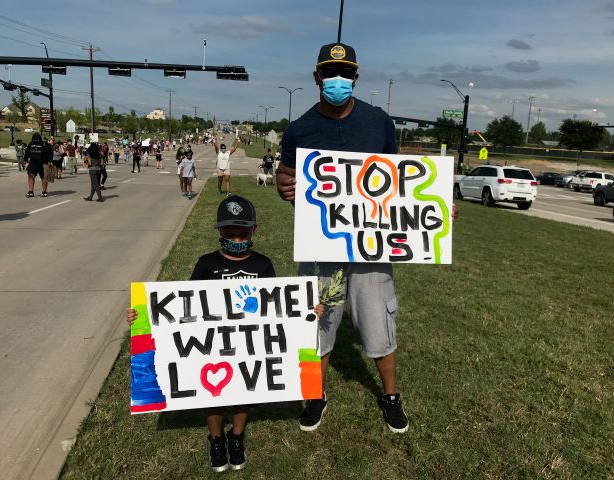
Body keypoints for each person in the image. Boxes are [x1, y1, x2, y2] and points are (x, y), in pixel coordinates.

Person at [275, 42, 460, 434]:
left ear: (355, 78)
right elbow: (284, 173)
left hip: (371, 247)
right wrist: (284, 186)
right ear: (316, 78)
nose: (336, 80)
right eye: (328, 73)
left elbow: (400, 180)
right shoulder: (299, 128)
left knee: (378, 322)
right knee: (316, 321)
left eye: (344, 74)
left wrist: (438, 209)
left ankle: (390, 395)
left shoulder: (379, 122)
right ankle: (315, 395)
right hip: (320, 243)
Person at [126, 195, 323, 472]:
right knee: (213, 394)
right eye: (230, 234)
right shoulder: (206, 264)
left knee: (246, 390)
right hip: (213, 348)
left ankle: (237, 436)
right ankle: (216, 439)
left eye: (243, 234)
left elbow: (279, 307)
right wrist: (143, 316)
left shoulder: (263, 265)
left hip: (248, 347)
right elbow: (185, 306)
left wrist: (307, 310)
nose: (237, 239)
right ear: (219, 231)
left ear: (254, 230)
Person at [24, 132, 53, 197]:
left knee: (44, 177)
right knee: (31, 176)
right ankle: (30, 191)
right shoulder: (31, 144)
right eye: (34, 140)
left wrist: (50, 161)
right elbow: (27, 152)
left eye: (37, 140)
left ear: (40, 139)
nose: (35, 141)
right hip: (33, 163)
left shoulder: (45, 144)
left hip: (43, 163)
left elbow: (50, 153)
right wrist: (25, 160)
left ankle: (44, 191)